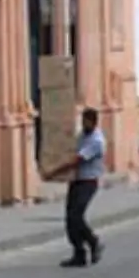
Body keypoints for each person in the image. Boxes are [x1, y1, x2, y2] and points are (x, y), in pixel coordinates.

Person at [47, 108, 107, 268]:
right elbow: (72, 152)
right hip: (77, 180)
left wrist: (54, 172)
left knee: (76, 216)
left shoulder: (96, 141)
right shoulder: (82, 135)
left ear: (94, 122)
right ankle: (79, 253)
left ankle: (94, 242)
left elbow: (77, 160)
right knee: (70, 219)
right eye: (82, 121)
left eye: (86, 121)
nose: (83, 124)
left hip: (89, 182)